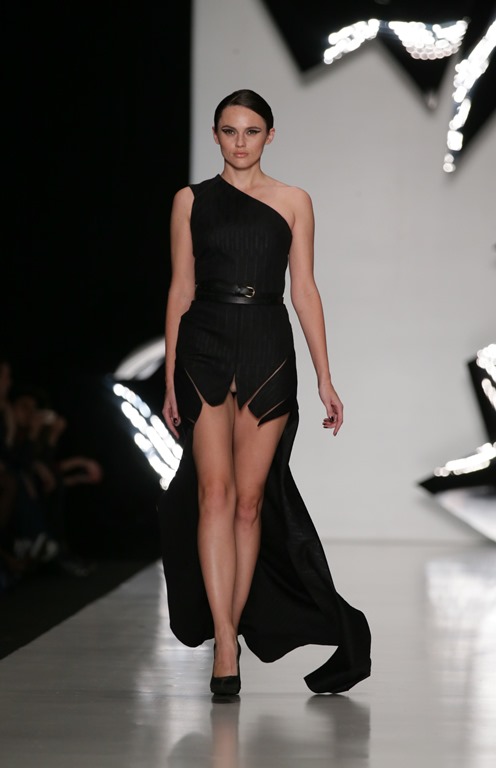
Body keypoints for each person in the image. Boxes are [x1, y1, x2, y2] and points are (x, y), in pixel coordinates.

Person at [159, 89, 371, 696]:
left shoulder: (294, 201)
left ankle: (233, 627)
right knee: (214, 494)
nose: (240, 142)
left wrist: (325, 376)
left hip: (267, 346)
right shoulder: (190, 201)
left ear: (270, 136)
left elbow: (304, 288)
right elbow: (180, 288)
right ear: (216, 135)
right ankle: (226, 642)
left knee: (250, 502)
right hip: (203, 343)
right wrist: (171, 376)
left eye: (252, 131)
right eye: (229, 131)